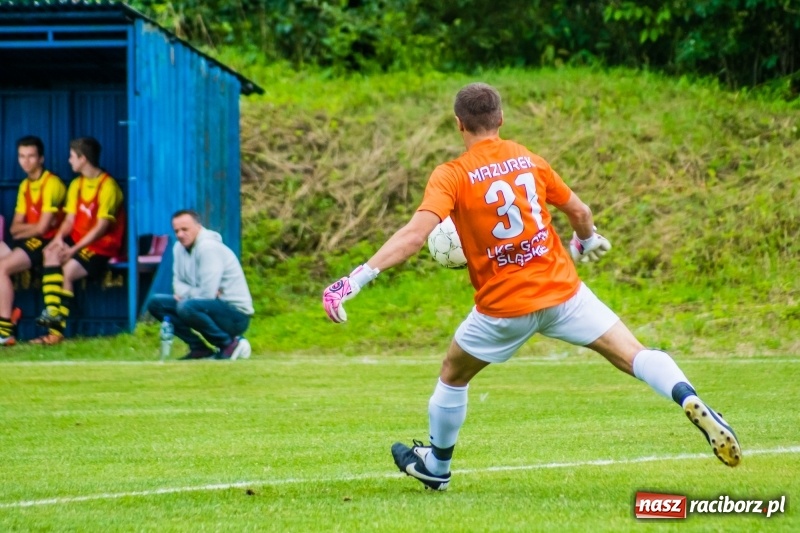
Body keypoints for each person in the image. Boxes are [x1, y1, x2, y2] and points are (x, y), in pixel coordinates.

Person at [322, 82, 741, 491]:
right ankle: (687, 396)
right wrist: (587, 240)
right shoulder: (527, 159)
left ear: (459, 124)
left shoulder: (452, 174)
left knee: (453, 374)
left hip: (503, 309)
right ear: (501, 119)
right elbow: (580, 212)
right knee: (635, 354)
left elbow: (415, 235)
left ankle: (436, 465)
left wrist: (353, 281)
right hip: (563, 294)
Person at [32, 137, 126, 345]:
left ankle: (56, 332)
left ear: (83, 159)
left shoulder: (108, 186)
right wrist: (58, 239)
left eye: (72, 156)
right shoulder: (76, 184)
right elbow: (69, 220)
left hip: (102, 246)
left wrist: (73, 249)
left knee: (68, 271)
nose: (69, 161)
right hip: (78, 242)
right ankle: (53, 315)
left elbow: (101, 228)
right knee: (50, 253)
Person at [147, 209, 253, 360]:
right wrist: (192, 293)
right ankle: (199, 348)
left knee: (186, 306)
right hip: (207, 305)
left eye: (185, 229)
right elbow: (177, 285)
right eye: (176, 231)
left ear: (198, 227)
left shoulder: (208, 247)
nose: (180, 234)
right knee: (156, 303)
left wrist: (187, 294)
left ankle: (228, 345)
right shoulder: (178, 248)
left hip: (236, 314)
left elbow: (207, 294)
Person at [0, 136, 67, 346]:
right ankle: (9, 314)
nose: (26, 161)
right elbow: (14, 228)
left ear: (41, 159)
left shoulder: (51, 183)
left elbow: (43, 228)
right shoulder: (25, 185)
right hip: (29, 241)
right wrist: (30, 229)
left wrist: (28, 229)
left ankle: (5, 332)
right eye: (22, 156)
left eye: (31, 156)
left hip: (48, 242)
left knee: (2, 268)